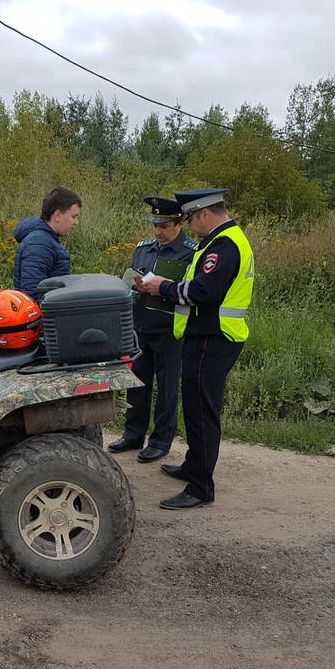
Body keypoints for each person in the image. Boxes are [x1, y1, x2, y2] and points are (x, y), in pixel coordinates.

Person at [142, 188, 254, 510]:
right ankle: (194, 465)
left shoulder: (225, 245)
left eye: (190, 218)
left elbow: (203, 291)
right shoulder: (222, 240)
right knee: (193, 406)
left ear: (204, 213)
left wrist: (161, 286)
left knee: (202, 413)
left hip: (213, 338)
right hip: (206, 337)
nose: (190, 226)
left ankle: (201, 487)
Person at [108, 196, 197, 463]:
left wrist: (166, 286)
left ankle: (160, 441)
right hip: (141, 326)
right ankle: (133, 434)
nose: (158, 232)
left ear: (179, 224)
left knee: (167, 388)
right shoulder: (144, 249)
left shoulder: (191, 252)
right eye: (155, 225)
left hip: (170, 330)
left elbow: (192, 292)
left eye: (165, 226)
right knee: (137, 384)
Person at [13, 187, 82, 300]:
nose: (76, 222)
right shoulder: (39, 244)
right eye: (73, 217)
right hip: (43, 316)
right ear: (58, 215)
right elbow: (33, 294)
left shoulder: (47, 239)